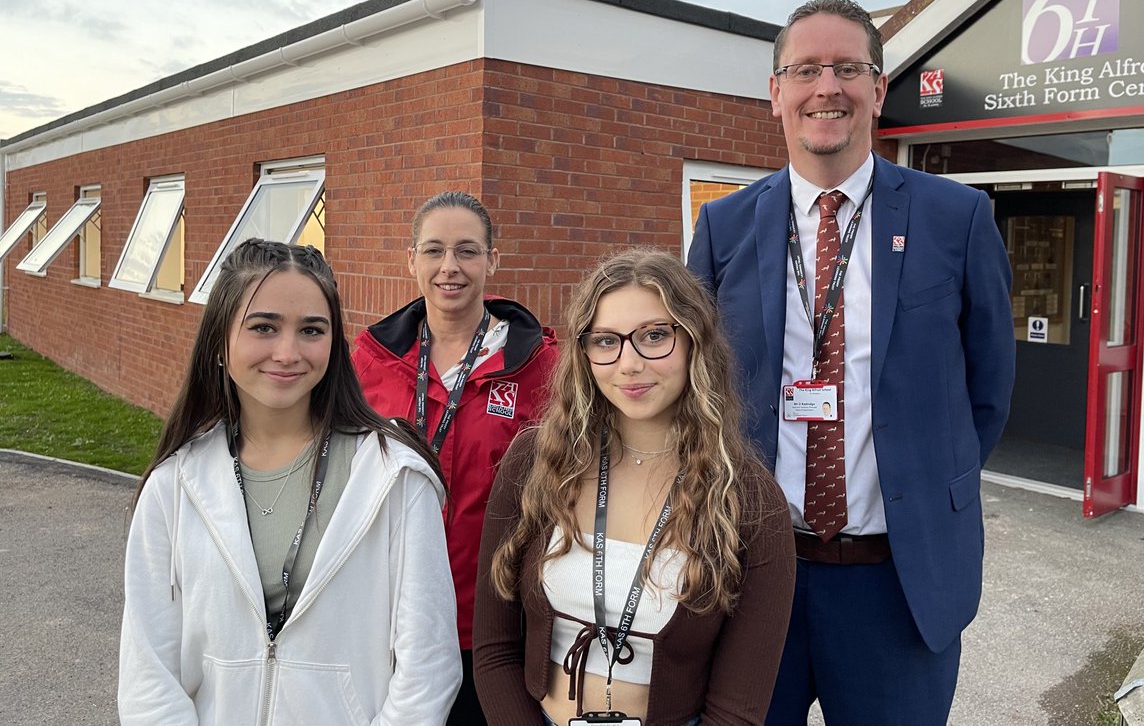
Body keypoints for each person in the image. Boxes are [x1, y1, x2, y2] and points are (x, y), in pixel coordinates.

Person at [688, 0, 1015, 725]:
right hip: (753, 577)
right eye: (805, 69)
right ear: (776, 92)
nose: (826, 87)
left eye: (847, 68)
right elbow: (696, 391)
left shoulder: (955, 219)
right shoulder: (723, 226)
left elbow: (988, 390)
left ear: (879, 87)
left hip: (897, 585)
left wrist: (925, 477)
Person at [119, 239, 459, 725]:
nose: (288, 352)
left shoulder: (394, 478)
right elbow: (147, 672)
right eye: (264, 327)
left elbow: (428, 667)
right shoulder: (174, 486)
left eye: (311, 330)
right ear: (220, 343)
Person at [474, 249, 795, 726]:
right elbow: (494, 651)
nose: (629, 363)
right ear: (583, 353)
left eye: (654, 336)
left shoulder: (748, 498)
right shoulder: (535, 462)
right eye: (606, 341)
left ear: (694, 342)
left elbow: (737, 710)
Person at [353, 190, 557, 725]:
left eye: (467, 251)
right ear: (411, 259)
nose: (450, 267)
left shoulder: (541, 366)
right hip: (388, 619)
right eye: (434, 250)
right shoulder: (368, 362)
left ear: (493, 259)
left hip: (492, 626)